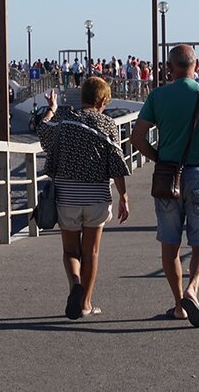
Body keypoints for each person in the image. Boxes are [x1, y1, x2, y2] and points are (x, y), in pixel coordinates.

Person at [130, 44, 199, 328]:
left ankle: (179, 306)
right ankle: (193, 288)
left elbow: (137, 138)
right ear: (196, 67)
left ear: (169, 68)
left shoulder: (158, 96)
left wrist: (158, 157)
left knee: (169, 244)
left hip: (168, 176)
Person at [37, 77, 130, 320]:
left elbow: (43, 132)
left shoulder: (64, 121)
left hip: (67, 194)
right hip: (97, 196)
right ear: (101, 100)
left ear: (83, 97)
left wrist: (52, 109)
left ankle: (75, 285)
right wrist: (124, 196)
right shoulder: (108, 124)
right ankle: (86, 303)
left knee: (70, 252)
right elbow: (117, 165)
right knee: (91, 252)